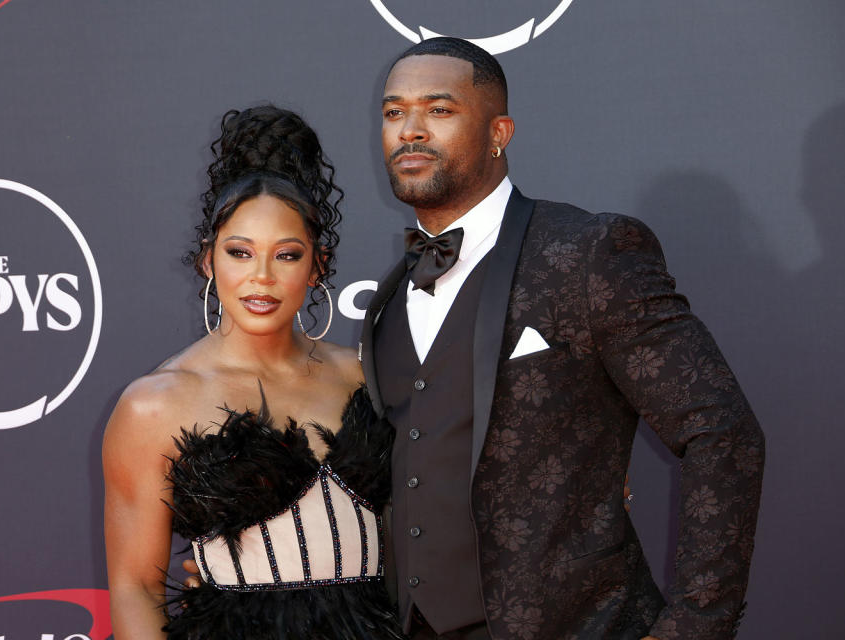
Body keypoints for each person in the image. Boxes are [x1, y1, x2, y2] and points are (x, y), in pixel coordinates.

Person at [356, 38, 765, 639]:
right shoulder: (389, 299)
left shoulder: (588, 252)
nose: (410, 130)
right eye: (394, 113)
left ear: (500, 133)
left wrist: (694, 626)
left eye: (439, 110)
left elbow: (722, 431)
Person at [102, 105, 404, 640]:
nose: (260, 278)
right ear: (207, 260)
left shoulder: (365, 375)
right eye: (239, 252)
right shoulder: (153, 405)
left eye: (286, 255)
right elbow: (135, 588)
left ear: (318, 266)